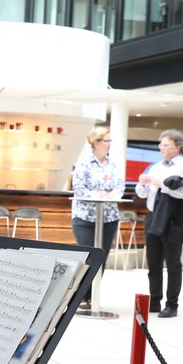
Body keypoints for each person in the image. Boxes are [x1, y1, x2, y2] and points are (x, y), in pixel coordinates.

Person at [135, 129, 183, 318]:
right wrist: (143, 183)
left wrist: (162, 183)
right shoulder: (156, 166)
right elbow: (142, 194)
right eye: (160, 145)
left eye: (166, 145)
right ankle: (154, 301)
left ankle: (172, 304)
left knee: (173, 262)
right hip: (154, 216)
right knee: (153, 262)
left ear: (178, 147)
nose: (161, 148)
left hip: (174, 218)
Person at [70, 126, 122, 311]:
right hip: (85, 217)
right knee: (88, 256)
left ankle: (94, 296)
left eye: (110, 141)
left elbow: (119, 186)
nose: (109, 144)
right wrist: (97, 194)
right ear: (96, 142)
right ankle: (81, 295)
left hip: (108, 217)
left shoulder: (112, 164)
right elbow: (79, 187)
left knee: (102, 257)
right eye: (106, 141)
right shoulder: (84, 163)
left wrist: (109, 195)